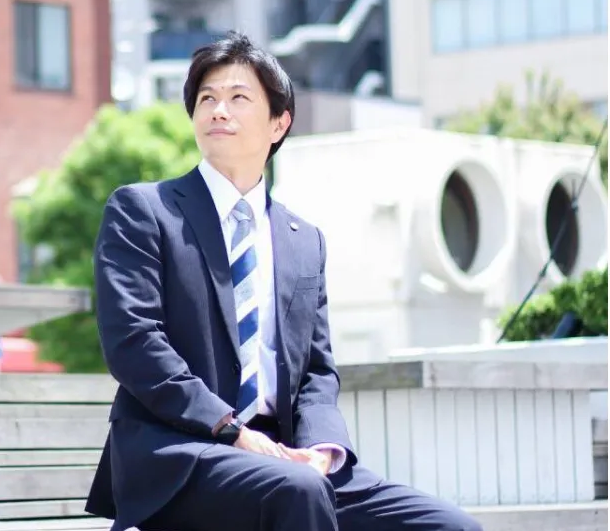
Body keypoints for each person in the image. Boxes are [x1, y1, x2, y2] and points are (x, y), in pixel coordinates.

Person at [85, 31, 483, 531]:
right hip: (183, 454)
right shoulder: (145, 210)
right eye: (206, 99)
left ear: (279, 123)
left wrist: (322, 449)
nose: (218, 111)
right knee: (298, 491)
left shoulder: (303, 240)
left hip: (286, 455)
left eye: (238, 98)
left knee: (450, 527)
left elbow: (317, 370)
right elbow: (134, 342)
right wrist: (231, 429)